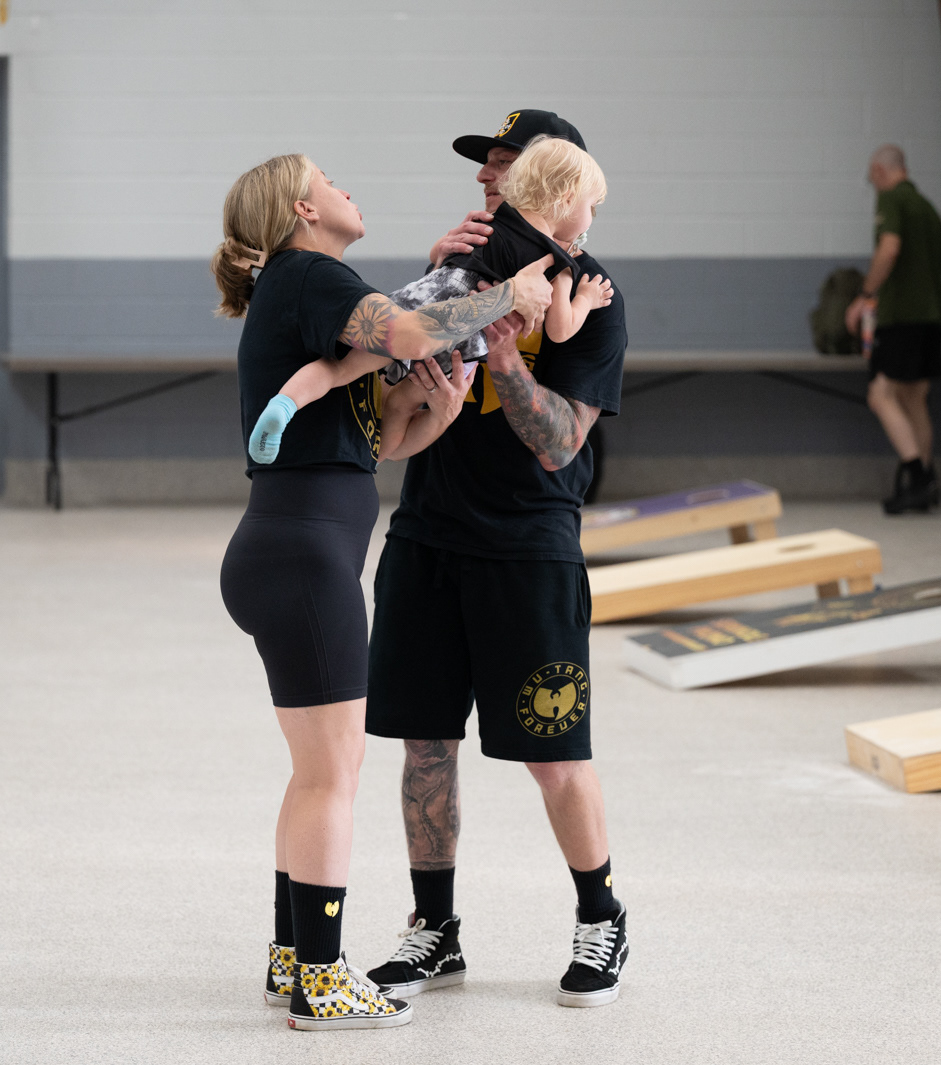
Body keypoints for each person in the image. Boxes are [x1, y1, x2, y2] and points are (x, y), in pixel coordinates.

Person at [211, 152, 553, 1031]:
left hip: (290, 548)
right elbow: (403, 333)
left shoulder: (305, 292)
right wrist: (507, 297)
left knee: (314, 773)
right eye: (331, 181)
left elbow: (380, 441)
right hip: (302, 555)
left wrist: (438, 410)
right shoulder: (310, 274)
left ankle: (293, 955)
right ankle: (323, 979)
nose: (348, 190)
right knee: (334, 776)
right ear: (302, 209)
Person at [361, 109, 631, 1008]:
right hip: (427, 535)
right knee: (425, 745)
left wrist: (508, 352)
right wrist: (443, 289)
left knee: (555, 754)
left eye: (507, 163)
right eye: (486, 165)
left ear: (554, 179)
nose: (489, 177)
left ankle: (601, 914)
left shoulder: (590, 293)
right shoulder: (465, 270)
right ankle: (434, 929)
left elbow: (559, 444)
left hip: (529, 546)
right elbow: (390, 356)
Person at [247, 137, 614, 464]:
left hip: (435, 300)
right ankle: (360, 447)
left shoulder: (492, 221)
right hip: (461, 336)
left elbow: (451, 262)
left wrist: (438, 257)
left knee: (339, 370)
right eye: (592, 205)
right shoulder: (559, 264)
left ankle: (284, 404)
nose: (591, 218)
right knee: (404, 401)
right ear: (568, 197)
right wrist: (586, 298)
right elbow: (560, 329)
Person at [844, 143, 941, 515]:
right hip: (932, 317)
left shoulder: (892, 200)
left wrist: (865, 296)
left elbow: (889, 249)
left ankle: (915, 475)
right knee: (913, 397)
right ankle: (928, 479)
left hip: (901, 317)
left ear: (880, 171)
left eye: (872, 178)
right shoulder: (928, 209)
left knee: (880, 394)